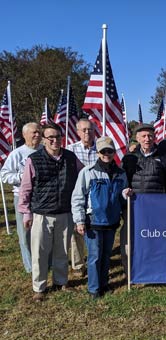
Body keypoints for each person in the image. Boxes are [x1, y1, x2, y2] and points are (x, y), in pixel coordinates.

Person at [18, 124, 83, 302]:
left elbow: (83, 175)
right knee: (40, 252)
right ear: (44, 139)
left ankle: (61, 282)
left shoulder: (71, 158)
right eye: (50, 137)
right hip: (41, 214)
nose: (55, 140)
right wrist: (26, 213)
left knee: (62, 250)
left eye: (58, 136)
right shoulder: (34, 159)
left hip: (65, 212)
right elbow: (25, 189)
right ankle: (39, 287)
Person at [72, 137, 127, 299]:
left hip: (112, 222)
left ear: (113, 152)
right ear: (98, 153)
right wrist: (79, 220)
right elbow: (78, 197)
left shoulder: (121, 173)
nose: (106, 154)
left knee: (106, 255)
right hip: (93, 222)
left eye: (109, 151)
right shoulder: (87, 172)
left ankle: (104, 283)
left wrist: (126, 194)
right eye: (103, 151)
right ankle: (93, 289)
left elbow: (122, 197)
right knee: (95, 256)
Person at [120, 123, 166, 273]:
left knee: (155, 239)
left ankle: (155, 268)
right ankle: (131, 271)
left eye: (150, 136)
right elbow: (122, 182)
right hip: (133, 208)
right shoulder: (129, 158)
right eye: (144, 136)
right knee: (130, 240)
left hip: (157, 209)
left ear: (154, 138)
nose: (147, 139)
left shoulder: (164, 158)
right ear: (137, 138)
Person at [0, 122, 42, 273]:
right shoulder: (17, 154)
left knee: (44, 231)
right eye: (33, 132)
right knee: (25, 233)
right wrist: (23, 177)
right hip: (22, 197)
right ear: (24, 135)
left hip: (43, 196)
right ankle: (30, 266)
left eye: (39, 132)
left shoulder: (45, 151)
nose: (37, 135)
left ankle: (45, 261)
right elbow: (4, 175)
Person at [66, 119, 98, 277]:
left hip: (97, 197)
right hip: (77, 195)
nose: (87, 132)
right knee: (76, 231)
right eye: (84, 130)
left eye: (90, 129)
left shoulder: (102, 149)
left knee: (95, 230)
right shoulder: (70, 151)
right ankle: (78, 264)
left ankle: (96, 259)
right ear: (78, 132)